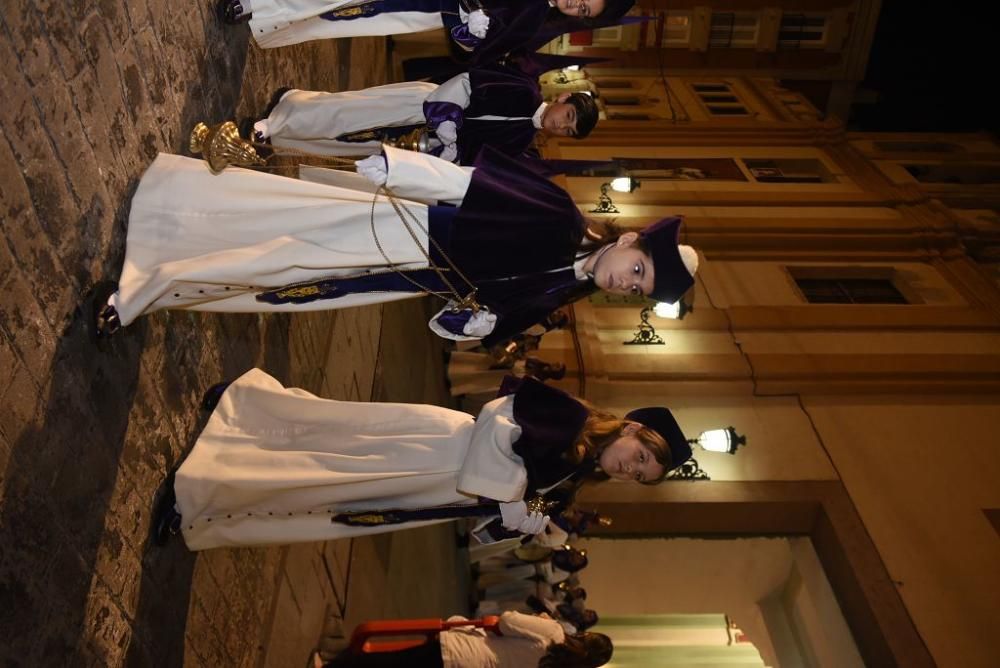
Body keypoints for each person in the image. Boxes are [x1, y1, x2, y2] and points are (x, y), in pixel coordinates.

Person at [91, 144, 699, 347]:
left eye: (638, 289)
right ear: (628, 237)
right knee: (278, 250)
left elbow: (458, 325)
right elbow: (470, 186)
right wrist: (400, 167)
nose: (627, 282)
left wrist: (475, 323)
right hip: (402, 228)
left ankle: (167, 273)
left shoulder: (561, 293)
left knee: (280, 287)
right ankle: (150, 280)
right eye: (638, 267)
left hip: (400, 278)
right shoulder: (559, 216)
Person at [152, 370, 693, 550]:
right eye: (640, 455)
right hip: (435, 449)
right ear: (633, 428)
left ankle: (208, 506)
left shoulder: (575, 481)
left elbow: (488, 525)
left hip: (431, 495)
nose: (631, 468)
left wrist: (523, 524)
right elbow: (499, 413)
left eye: (642, 475)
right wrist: (509, 495)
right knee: (323, 456)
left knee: (324, 499)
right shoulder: (572, 417)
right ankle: (209, 470)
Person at [251, 63, 599, 164]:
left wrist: (448, 152)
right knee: (349, 112)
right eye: (567, 116)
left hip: (416, 143)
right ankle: (276, 120)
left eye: (567, 131)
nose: (560, 125)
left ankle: (284, 132)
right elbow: (469, 81)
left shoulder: (521, 140)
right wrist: (447, 120)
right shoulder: (524, 90)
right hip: (420, 106)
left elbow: (475, 157)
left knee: (348, 143)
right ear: (564, 97)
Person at [219, 0, 635, 55]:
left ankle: (269, 26)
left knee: (346, 19)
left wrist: (471, 27)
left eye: (582, 10)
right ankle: (256, 3)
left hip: (422, 11)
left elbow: (480, 49)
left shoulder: (531, 23)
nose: (574, 4)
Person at [321, 611, 613, 668]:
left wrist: (540, 619)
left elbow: (508, 622)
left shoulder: (554, 634)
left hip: (462, 651)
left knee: (387, 663)